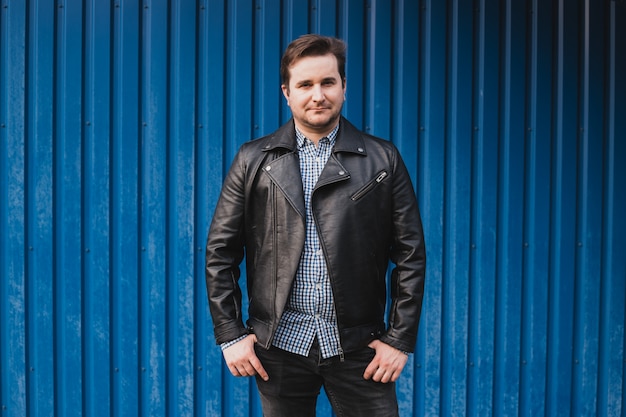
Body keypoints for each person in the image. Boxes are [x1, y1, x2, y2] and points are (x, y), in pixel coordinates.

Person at [205, 34, 426, 417]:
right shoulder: (253, 159)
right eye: (305, 84)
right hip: (279, 348)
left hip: (360, 348)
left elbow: (410, 255)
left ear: (344, 87)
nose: (318, 94)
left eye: (328, 82)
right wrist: (231, 335)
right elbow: (220, 252)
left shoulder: (382, 159)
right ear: (286, 93)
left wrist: (399, 340)